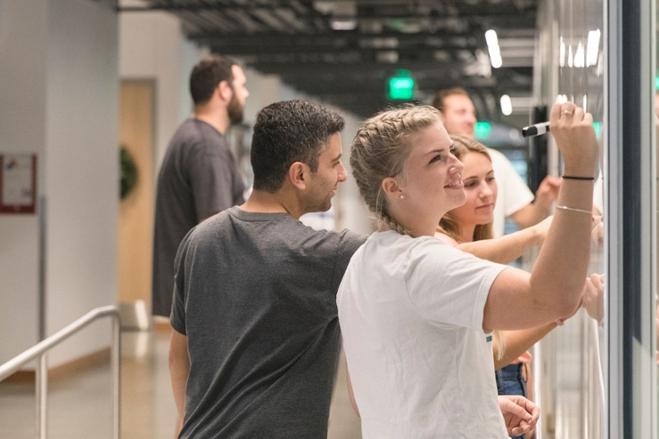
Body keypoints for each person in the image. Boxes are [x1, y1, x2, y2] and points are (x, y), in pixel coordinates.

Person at [338, 102, 598, 437]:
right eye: (437, 159)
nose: (456, 164)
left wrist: (477, 408)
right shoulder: (425, 265)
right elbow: (551, 299)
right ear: (393, 187)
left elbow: (368, 397)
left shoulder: (364, 262)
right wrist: (579, 168)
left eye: (450, 151)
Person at [168, 100, 365, 438]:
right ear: (300, 174)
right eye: (335, 163)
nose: (342, 175)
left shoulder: (198, 240)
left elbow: (177, 356)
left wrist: (187, 423)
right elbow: (415, 260)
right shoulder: (326, 256)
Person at [152, 54, 249, 317]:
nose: (247, 94)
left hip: (191, 299)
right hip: (202, 304)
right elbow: (216, 231)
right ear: (224, 90)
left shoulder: (191, 136)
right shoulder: (206, 147)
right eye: (242, 85)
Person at [432, 88, 561, 237]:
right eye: (461, 112)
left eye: (490, 178)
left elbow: (527, 219)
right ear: (440, 118)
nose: (471, 119)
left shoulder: (496, 160)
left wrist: (543, 199)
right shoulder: (430, 169)